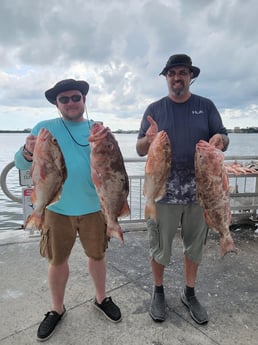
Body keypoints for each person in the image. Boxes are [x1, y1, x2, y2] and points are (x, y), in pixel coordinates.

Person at [14, 79, 122, 342]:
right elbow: (20, 163)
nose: (71, 102)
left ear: (84, 99)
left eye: (76, 97)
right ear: (56, 103)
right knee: (57, 260)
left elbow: (112, 166)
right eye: (64, 99)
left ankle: (100, 298)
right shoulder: (44, 128)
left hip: (94, 208)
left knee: (97, 256)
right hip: (56, 207)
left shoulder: (96, 129)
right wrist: (28, 151)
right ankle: (56, 309)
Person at [136, 54, 229, 324]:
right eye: (172, 73)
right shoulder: (155, 108)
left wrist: (220, 139)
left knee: (194, 247)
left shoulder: (206, 106)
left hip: (201, 193)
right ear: (166, 77)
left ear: (191, 76)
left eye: (183, 73)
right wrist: (148, 140)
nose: (177, 77)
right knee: (159, 246)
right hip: (162, 193)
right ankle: (158, 291)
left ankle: (189, 293)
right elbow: (140, 149)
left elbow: (224, 136)